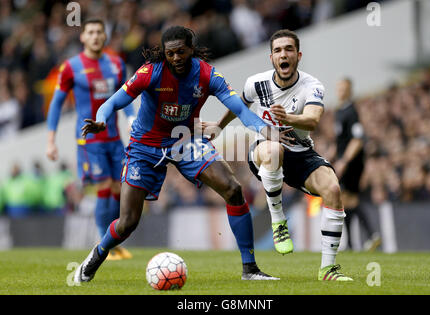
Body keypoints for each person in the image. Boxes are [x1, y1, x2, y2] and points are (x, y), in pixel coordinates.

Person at [74, 26, 287, 283]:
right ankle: (97, 255)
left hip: (184, 141)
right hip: (145, 146)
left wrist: (266, 131)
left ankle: (250, 269)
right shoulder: (150, 73)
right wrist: (101, 120)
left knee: (233, 189)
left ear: (191, 50)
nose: (176, 58)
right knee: (128, 221)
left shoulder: (207, 75)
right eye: (170, 53)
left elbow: (240, 110)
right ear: (164, 54)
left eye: (181, 52)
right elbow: (113, 102)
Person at [206, 29, 353, 281]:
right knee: (274, 150)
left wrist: (289, 118)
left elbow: (313, 120)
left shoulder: (312, 85)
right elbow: (239, 106)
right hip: (264, 150)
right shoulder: (257, 83)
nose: (283, 54)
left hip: (301, 151)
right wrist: (219, 127)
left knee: (333, 189)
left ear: (298, 55)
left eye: (288, 49)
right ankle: (278, 221)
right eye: (277, 50)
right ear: (271, 58)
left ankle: (328, 269)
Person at [46, 18, 135, 260]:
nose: (95, 36)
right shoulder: (71, 67)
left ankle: (112, 242)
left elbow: (125, 98)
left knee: (120, 188)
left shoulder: (117, 64)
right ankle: (103, 245)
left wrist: (130, 119)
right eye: (91, 32)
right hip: (89, 141)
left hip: (114, 139)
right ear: (83, 37)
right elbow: (56, 104)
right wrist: (50, 140)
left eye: (99, 32)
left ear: (104, 37)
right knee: (104, 187)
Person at [334, 78, 381, 251]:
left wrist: (344, 161)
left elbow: (357, 140)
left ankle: (370, 235)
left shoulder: (351, 111)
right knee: (345, 200)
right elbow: (342, 140)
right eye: (339, 87)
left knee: (349, 199)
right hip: (345, 160)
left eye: (344, 88)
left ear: (349, 90)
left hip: (352, 162)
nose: (340, 90)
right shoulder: (340, 112)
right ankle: (353, 242)